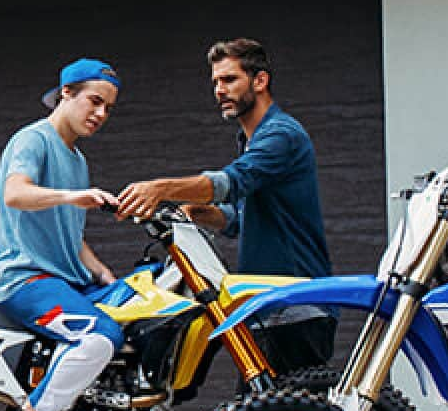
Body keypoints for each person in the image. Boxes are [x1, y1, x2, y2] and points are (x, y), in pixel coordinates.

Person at [113, 37, 337, 372]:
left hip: (294, 305)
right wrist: (206, 215)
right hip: (266, 305)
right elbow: (243, 219)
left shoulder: (280, 135)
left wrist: (161, 189)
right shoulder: (252, 139)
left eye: (229, 80)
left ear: (260, 81)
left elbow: (230, 182)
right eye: (215, 82)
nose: (219, 90)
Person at [0, 60, 121, 411]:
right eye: (94, 101)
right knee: (99, 337)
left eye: (108, 108)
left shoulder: (78, 161)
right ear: (67, 92)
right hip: (26, 281)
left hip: (68, 281)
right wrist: (71, 196)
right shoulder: (33, 140)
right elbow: (16, 193)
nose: (100, 114)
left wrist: (102, 272)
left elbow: (70, 234)